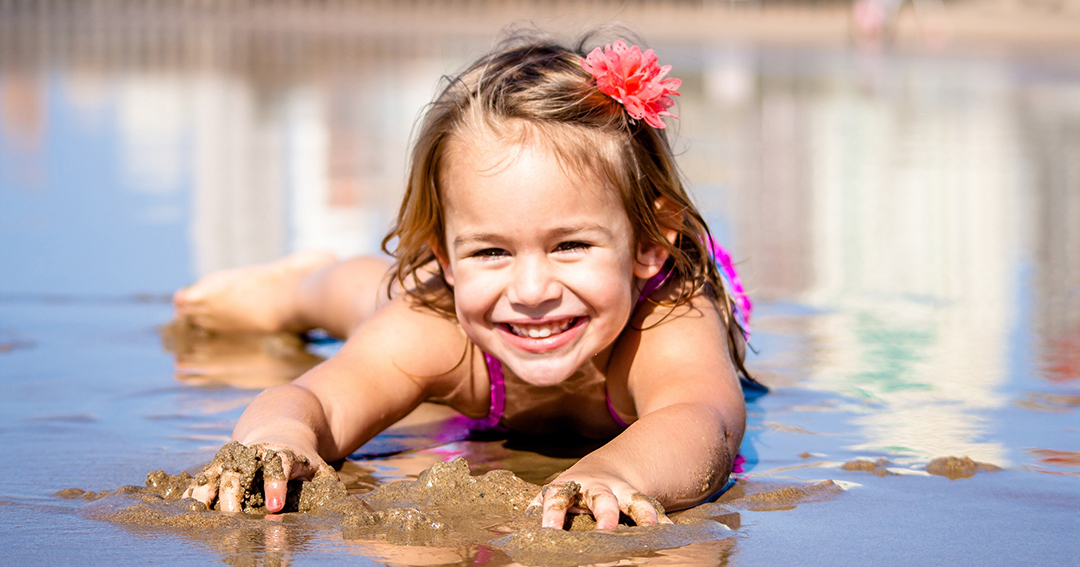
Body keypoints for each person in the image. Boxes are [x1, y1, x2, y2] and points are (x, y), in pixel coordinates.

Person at [175, 29, 763, 530]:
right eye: (490, 250)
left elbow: (700, 421)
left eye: (571, 245)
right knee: (375, 299)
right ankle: (296, 287)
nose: (532, 291)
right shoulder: (441, 318)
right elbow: (318, 402)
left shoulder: (669, 320)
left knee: (399, 302)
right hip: (434, 300)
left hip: (637, 288)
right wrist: (280, 438)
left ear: (648, 243)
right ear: (448, 259)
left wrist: (614, 472)